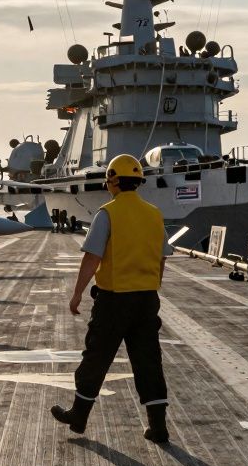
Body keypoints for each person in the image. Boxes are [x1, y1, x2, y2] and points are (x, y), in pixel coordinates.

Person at [51, 154, 172, 444]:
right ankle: (158, 427)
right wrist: (153, 284)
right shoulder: (154, 214)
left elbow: (93, 257)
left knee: (97, 357)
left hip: (114, 301)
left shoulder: (108, 213)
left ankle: (78, 417)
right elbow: (162, 257)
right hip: (146, 300)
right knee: (148, 361)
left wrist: (78, 292)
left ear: (113, 181)